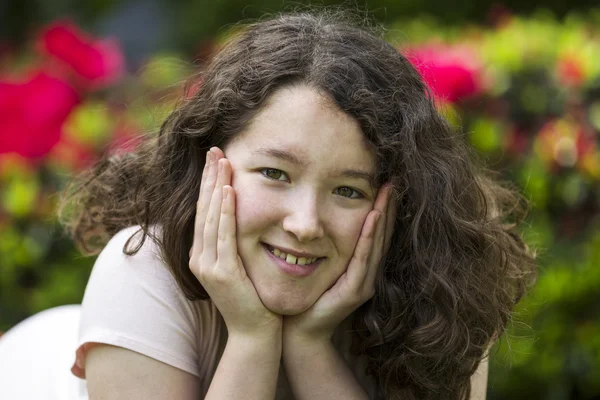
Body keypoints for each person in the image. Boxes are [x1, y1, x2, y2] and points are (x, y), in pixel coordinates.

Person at [2, 10, 536, 400]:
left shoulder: (444, 290)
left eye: (348, 190)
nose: (304, 224)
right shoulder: (142, 269)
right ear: (209, 163)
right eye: (275, 174)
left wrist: (309, 346)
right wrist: (254, 337)